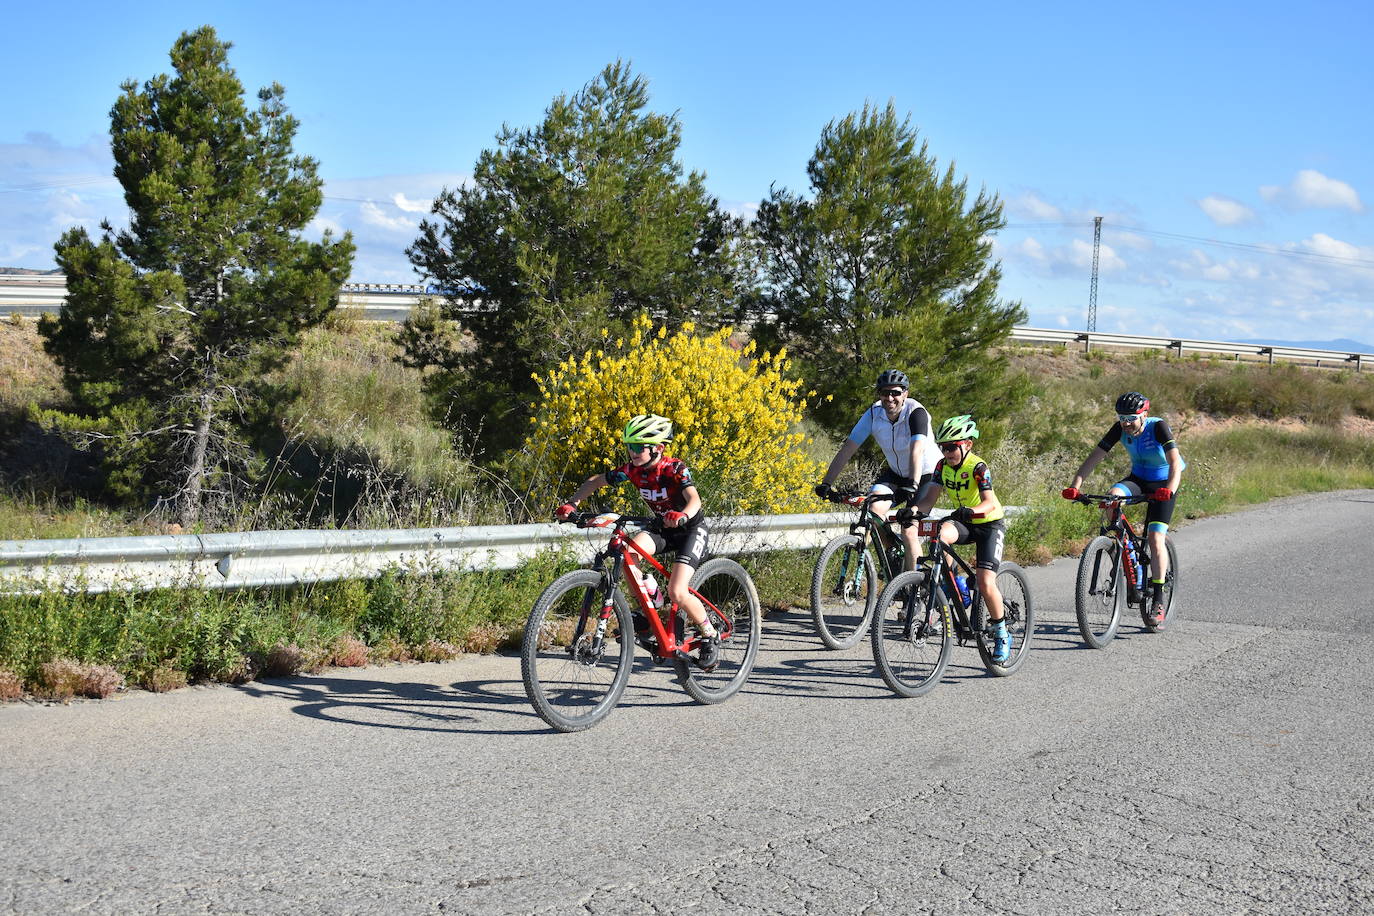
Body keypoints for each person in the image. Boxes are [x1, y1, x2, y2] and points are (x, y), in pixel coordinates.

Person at [556, 414, 719, 670]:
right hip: (662, 528)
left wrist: (683, 514)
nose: (631, 453)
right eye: (628, 447)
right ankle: (651, 604)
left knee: (677, 591)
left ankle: (710, 634)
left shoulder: (674, 468)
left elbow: (694, 498)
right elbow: (597, 480)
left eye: (637, 447)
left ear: (658, 448)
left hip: (690, 530)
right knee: (629, 554)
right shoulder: (631, 470)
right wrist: (572, 503)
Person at [1061, 391, 1185, 627]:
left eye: (1131, 418)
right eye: (1122, 418)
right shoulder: (1119, 428)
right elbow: (1094, 457)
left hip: (1165, 482)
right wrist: (1075, 486)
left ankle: (1158, 596)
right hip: (1138, 479)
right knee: (1111, 499)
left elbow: (1175, 463)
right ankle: (1125, 551)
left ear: (1144, 415)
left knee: (1155, 537)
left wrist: (1168, 489)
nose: (1126, 423)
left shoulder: (1158, 427)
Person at [909, 414, 1014, 663]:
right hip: (964, 522)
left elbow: (988, 503)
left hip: (988, 524)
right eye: (942, 447)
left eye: (951, 447)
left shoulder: (978, 467)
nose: (946, 453)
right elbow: (929, 500)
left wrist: (972, 510)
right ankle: (957, 586)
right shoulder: (941, 466)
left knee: (986, 581)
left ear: (967, 444)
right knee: (939, 536)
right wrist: (911, 512)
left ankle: (1001, 633)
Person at [814, 369, 940, 571]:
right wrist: (827, 483)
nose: (890, 398)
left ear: (905, 394)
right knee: (873, 510)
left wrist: (913, 484)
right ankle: (891, 551)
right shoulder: (874, 413)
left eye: (896, 393)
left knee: (909, 530)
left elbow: (917, 450)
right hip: (897, 473)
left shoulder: (916, 413)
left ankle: (914, 586)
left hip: (926, 474)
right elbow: (848, 449)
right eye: (884, 393)